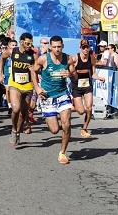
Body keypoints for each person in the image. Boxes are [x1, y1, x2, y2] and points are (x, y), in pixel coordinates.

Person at [33, 35, 76, 164]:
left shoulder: (68, 59)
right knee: (54, 130)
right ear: (50, 47)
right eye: (55, 47)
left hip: (63, 94)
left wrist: (70, 74)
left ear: (63, 46)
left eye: (59, 47)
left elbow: (75, 77)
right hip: (48, 96)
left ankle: (62, 153)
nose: (57, 49)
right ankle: (50, 116)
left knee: (67, 124)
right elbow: (33, 71)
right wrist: (37, 88)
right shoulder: (43, 59)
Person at [0, 33, 37, 145]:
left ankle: (18, 131)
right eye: (27, 43)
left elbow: (36, 69)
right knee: (16, 109)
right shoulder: (13, 51)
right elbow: (1, 58)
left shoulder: (32, 55)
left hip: (28, 86)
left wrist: (34, 69)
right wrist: (0, 74)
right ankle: (14, 130)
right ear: (21, 42)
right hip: (15, 84)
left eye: (31, 43)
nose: (29, 45)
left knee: (23, 113)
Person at [71, 39, 105, 138]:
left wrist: (99, 78)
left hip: (87, 86)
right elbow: (69, 71)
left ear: (89, 47)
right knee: (81, 111)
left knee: (89, 108)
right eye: (83, 47)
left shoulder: (92, 58)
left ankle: (84, 128)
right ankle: (67, 108)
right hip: (76, 87)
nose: (85, 49)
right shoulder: (75, 58)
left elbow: (93, 73)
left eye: (87, 47)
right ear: (80, 48)